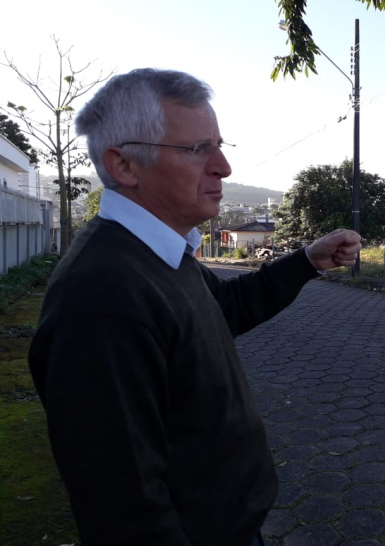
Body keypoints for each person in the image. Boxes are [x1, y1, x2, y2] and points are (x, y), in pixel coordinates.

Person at [28, 68, 361, 546]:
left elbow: (224, 306)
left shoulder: (154, 253)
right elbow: (123, 502)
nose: (223, 166)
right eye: (197, 149)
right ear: (123, 165)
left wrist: (306, 261)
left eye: (220, 145)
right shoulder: (102, 297)